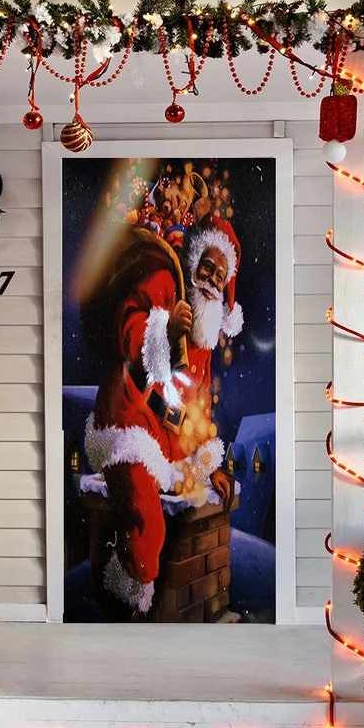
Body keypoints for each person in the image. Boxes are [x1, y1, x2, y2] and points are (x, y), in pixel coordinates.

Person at [84, 216, 245, 613]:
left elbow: (198, 408)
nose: (211, 279)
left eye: (220, 275)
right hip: (128, 422)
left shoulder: (205, 335)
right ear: (194, 262)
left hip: (167, 438)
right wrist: (165, 328)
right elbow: (128, 331)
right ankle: (127, 599)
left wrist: (209, 466)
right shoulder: (163, 283)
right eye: (207, 266)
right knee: (149, 525)